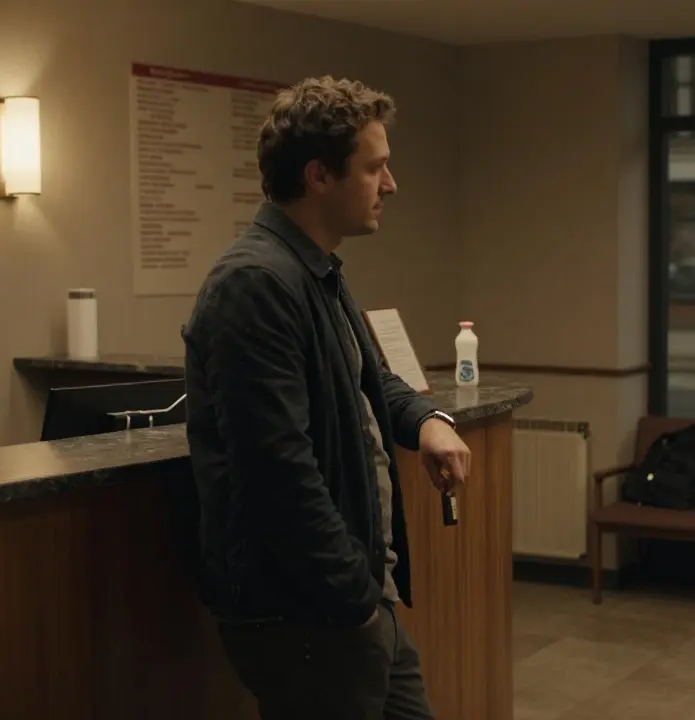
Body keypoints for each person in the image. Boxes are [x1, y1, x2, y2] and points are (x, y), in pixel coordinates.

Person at [182, 75, 470, 720]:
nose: (390, 185)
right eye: (375, 168)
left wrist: (427, 421)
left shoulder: (317, 270)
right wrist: (354, 598)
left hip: (356, 604)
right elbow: (276, 471)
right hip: (308, 615)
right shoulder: (255, 285)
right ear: (318, 175)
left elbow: (373, 380)